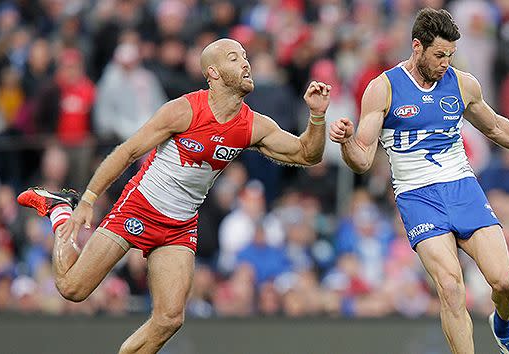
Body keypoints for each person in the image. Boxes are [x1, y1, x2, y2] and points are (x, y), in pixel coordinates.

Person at [17, 38, 331, 354]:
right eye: (235, 59)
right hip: (139, 208)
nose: (246, 63)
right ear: (214, 73)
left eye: (246, 57)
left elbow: (308, 154)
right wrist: (87, 200)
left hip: (180, 226)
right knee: (72, 289)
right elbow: (127, 151)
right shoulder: (183, 110)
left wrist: (316, 116)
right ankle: (60, 209)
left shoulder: (252, 125)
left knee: (169, 319)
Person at [329, 8, 509, 354]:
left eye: (450, 55)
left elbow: (496, 126)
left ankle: (502, 324)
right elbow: (362, 159)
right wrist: (347, 141)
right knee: (451, 287)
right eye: (439, 54)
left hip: (462, 187)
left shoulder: (462, 83)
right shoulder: (383, 89)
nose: (445, 62)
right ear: (417, 47)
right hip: (416, 196)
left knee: (504, 282)